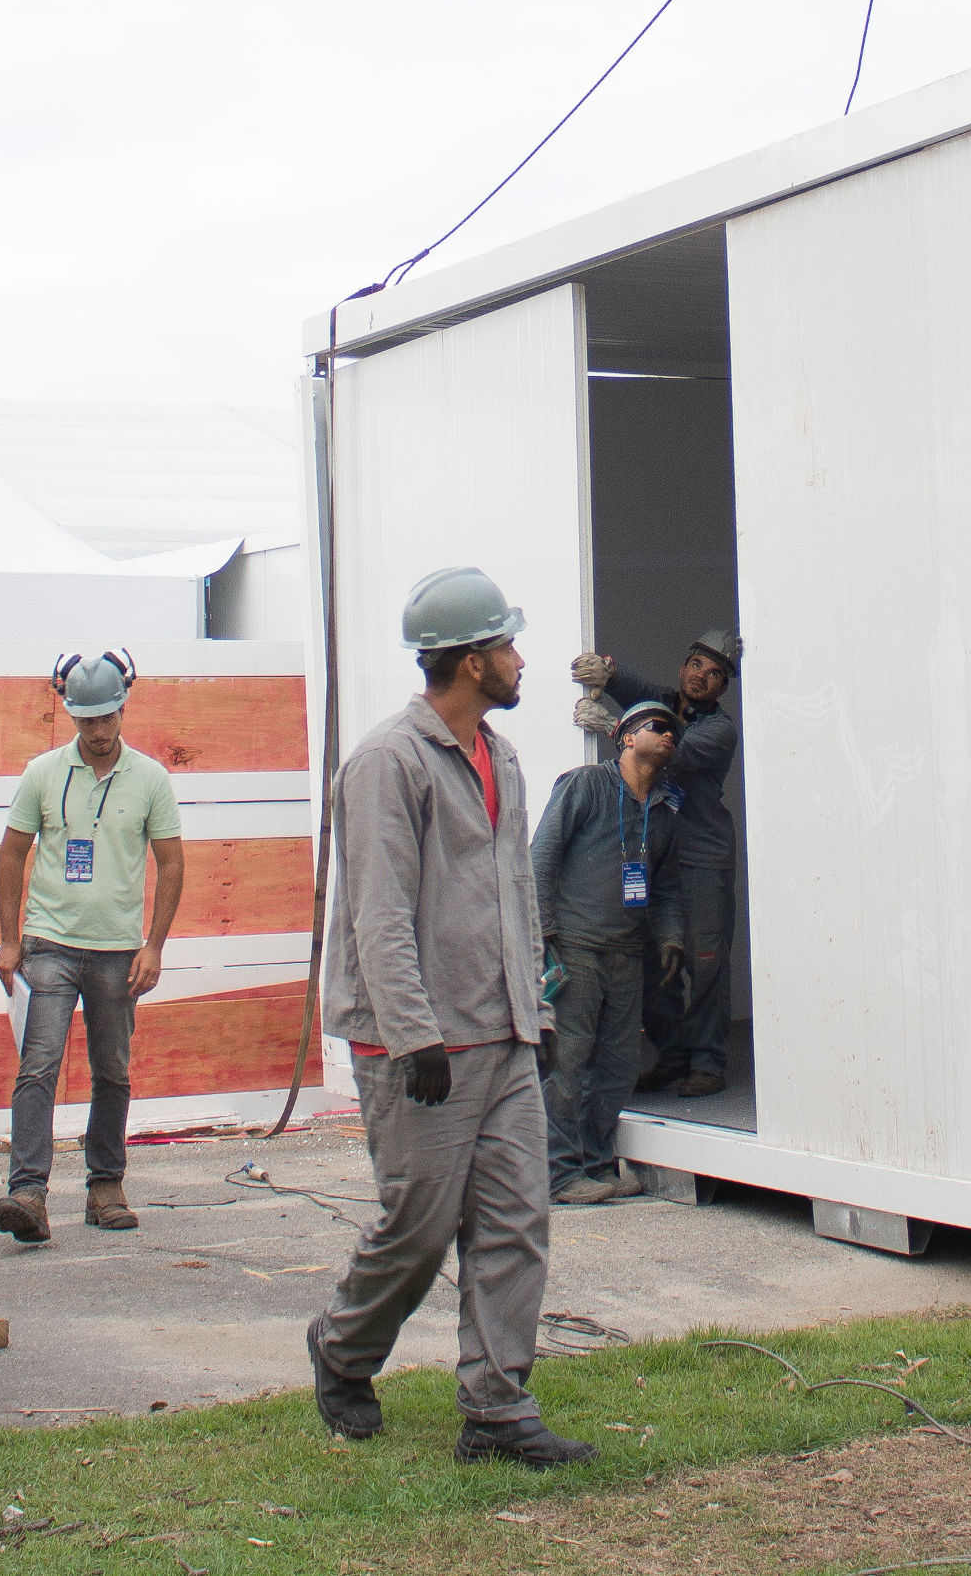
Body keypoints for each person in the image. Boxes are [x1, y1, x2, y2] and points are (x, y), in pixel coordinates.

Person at [305, 565, 592, 1468]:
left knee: (515, 1223)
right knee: (418, 1229)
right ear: (469, 663)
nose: (519, 660)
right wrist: (412, 1033)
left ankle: (496, 1410)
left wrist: (532, 1013)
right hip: (418, 1045)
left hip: (501, 1035)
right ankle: (343, 1350)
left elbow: (511, 892)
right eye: (506, 645)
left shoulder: (499, 756)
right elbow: (378, 912)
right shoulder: (388, 763)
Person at [0, 649, 184, 1243]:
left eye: (108, 718)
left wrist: (153, 946)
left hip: (116, 951)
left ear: (124, 708)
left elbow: (172, 863)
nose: (99, 731)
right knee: (38, 1065)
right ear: (71, 716)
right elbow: (11, 853)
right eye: (87, 721)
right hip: (49, 943)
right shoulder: (42, 773)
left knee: (113, 1070)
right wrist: (8, 940)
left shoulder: (150, 778)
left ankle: (105, 1187)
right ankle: (27, 1192)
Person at [530, 698, 685, 1204]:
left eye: (674, 732)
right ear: (625, 737)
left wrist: (670, 938)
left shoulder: (663, 808)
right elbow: (543, 855)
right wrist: (543, 935)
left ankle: (596, 1165)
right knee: (568, 1063)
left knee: (617, 1066)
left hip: (625, 953)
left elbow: (663, 886)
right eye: (658, 727)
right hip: (575, 946)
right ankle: (559, 1175)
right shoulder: (585, 785)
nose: (669, 736)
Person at [573, 628, 740, 1096]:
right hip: (659, 855)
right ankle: (673, 1056)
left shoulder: (718, 731)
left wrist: (612, 727)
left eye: (715, 674)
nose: (701, 677)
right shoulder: (668, 704)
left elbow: (673, 754)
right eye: (696, 665)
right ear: (684, 665)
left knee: (704, 962)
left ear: (724, 686)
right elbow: (641, 694)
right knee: (654, 959)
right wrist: (609, 674)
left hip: (705, 860)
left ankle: (707, 1064)